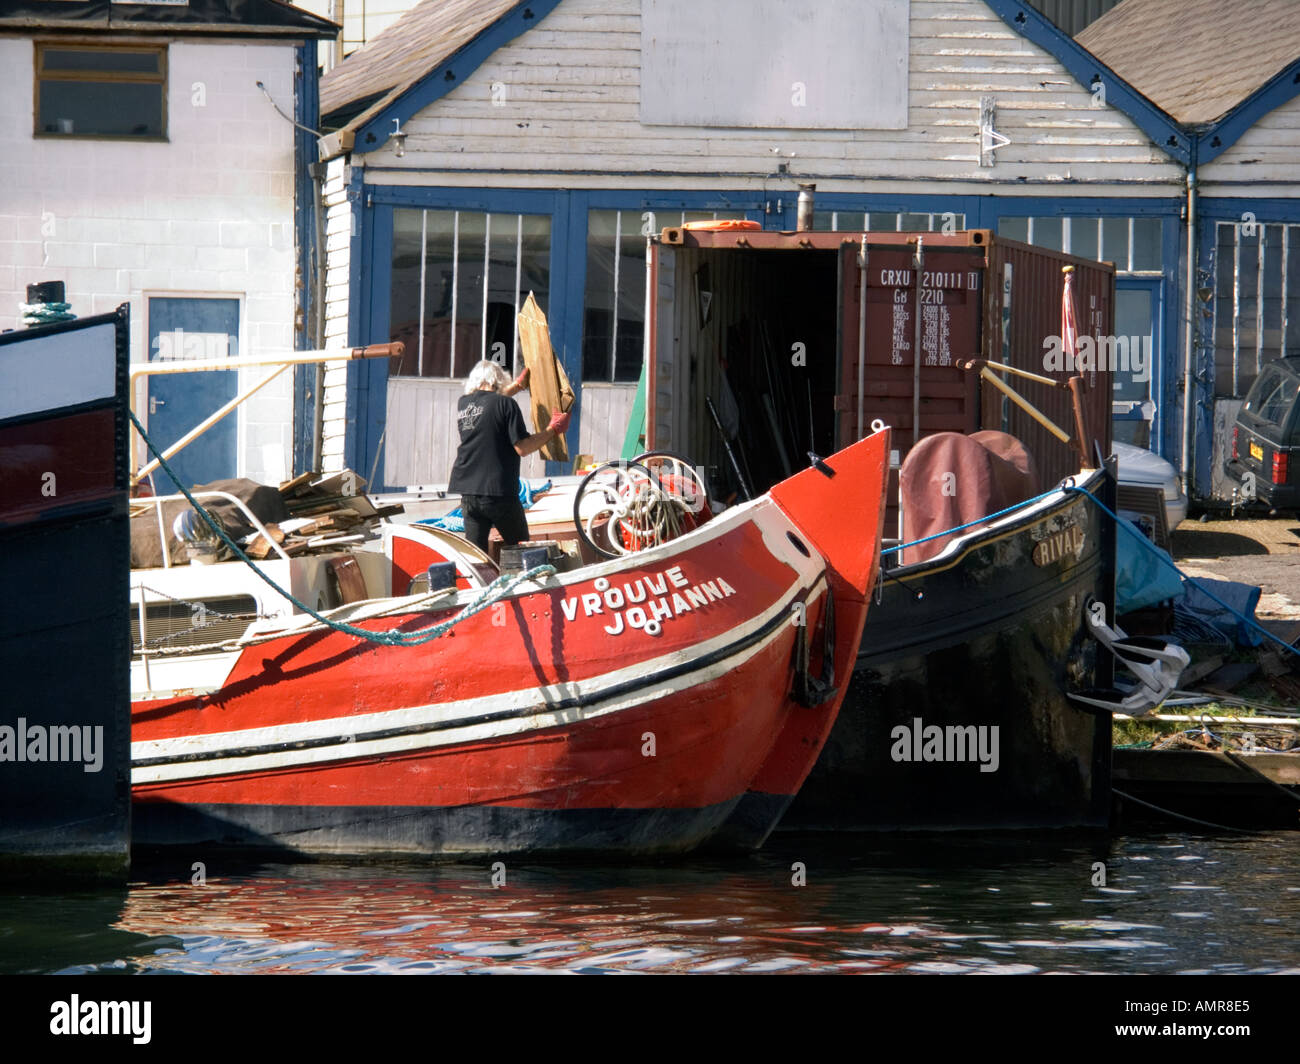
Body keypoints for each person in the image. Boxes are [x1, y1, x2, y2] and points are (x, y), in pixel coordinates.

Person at [448, 359, 570, 554]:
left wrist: (517, 387)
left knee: (477, 555)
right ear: (498, 380)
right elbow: (522, 447)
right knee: (522, 549)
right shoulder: (507, 405)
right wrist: (552, 430)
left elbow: (490, 404)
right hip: (499, 492)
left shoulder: (464, 404)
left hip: (468, 492)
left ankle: (480, 584)